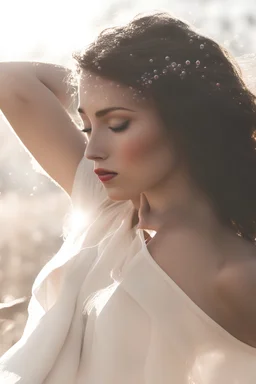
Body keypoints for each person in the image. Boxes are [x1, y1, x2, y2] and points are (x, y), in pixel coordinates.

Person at [0, 10, 256, 384]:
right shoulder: (110, 210)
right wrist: (104, 87)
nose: (93, 150)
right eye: (87, 127)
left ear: (187, 121)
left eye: (118, 125)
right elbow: (11, 82)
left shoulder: (236, 274)